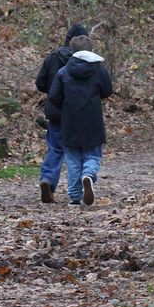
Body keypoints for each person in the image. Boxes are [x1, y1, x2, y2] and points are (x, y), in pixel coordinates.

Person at [47, 34, 113, 206]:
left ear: (73, 51)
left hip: (70, 123)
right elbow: (107, 91)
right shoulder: (99, 70)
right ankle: (88, 175)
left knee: (73, 160)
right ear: (92, 50)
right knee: (92, 155)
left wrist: (67, 106)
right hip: (93, 122)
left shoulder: (63, 72)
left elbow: (54, 97)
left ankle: (75, 197)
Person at [35, 24, 89, 203]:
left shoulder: (53, 57)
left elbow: (40, 83)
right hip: (79, 114)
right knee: (79, 152)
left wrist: (52, 91)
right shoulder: (88, 61)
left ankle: (48, 180)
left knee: (56, 148)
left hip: (56, 111)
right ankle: (80, 188)